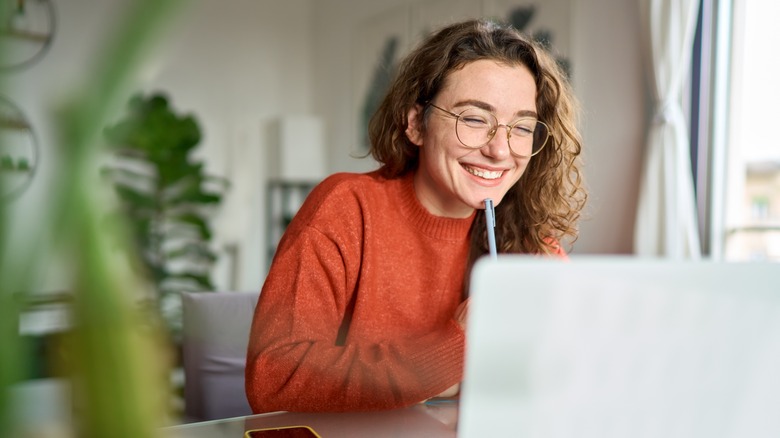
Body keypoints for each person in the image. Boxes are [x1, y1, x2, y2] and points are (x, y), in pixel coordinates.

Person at [245, 18, 586, 413]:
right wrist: (455, 347)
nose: (500, 150)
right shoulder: (345, 208)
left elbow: (567, 375)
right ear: (415, 124)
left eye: (522, 127)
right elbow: (273, 379)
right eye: (474, 119)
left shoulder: (528, 239)